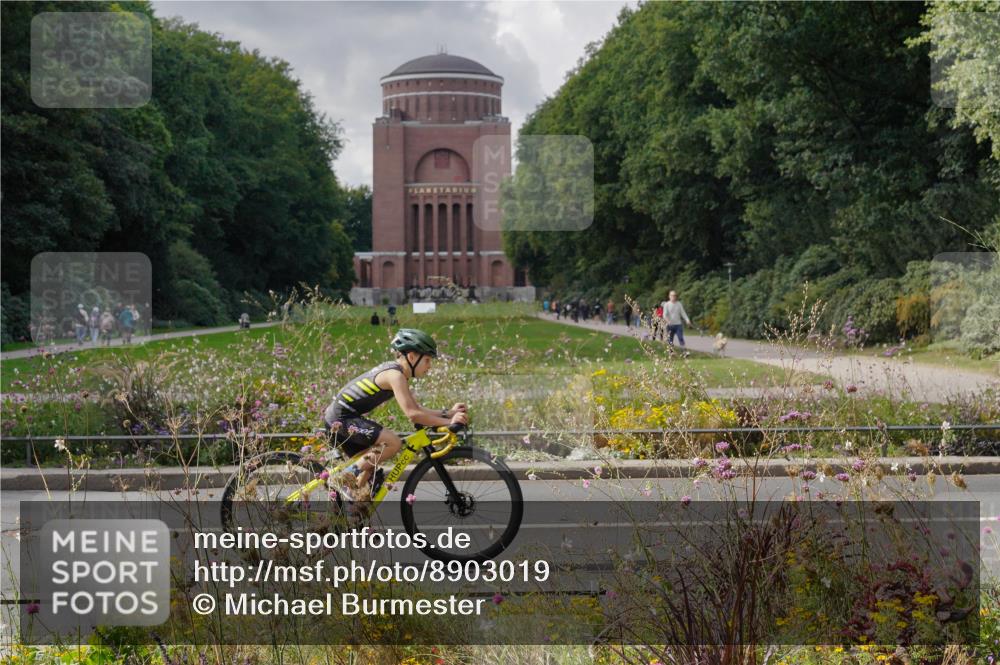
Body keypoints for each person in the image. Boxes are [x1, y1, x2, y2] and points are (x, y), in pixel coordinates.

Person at [321, 329, 468, 499]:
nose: (430, 366)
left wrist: (448, 414)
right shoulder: (395, 375)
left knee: (367, 476)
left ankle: (356, 508)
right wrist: (448, 422)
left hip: (345, 417)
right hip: (341, 419)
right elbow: (413, 414)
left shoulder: (398, 373)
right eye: (427, 360)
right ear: (411, 357)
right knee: (392, 442)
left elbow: (416, 408)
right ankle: (342, 477)